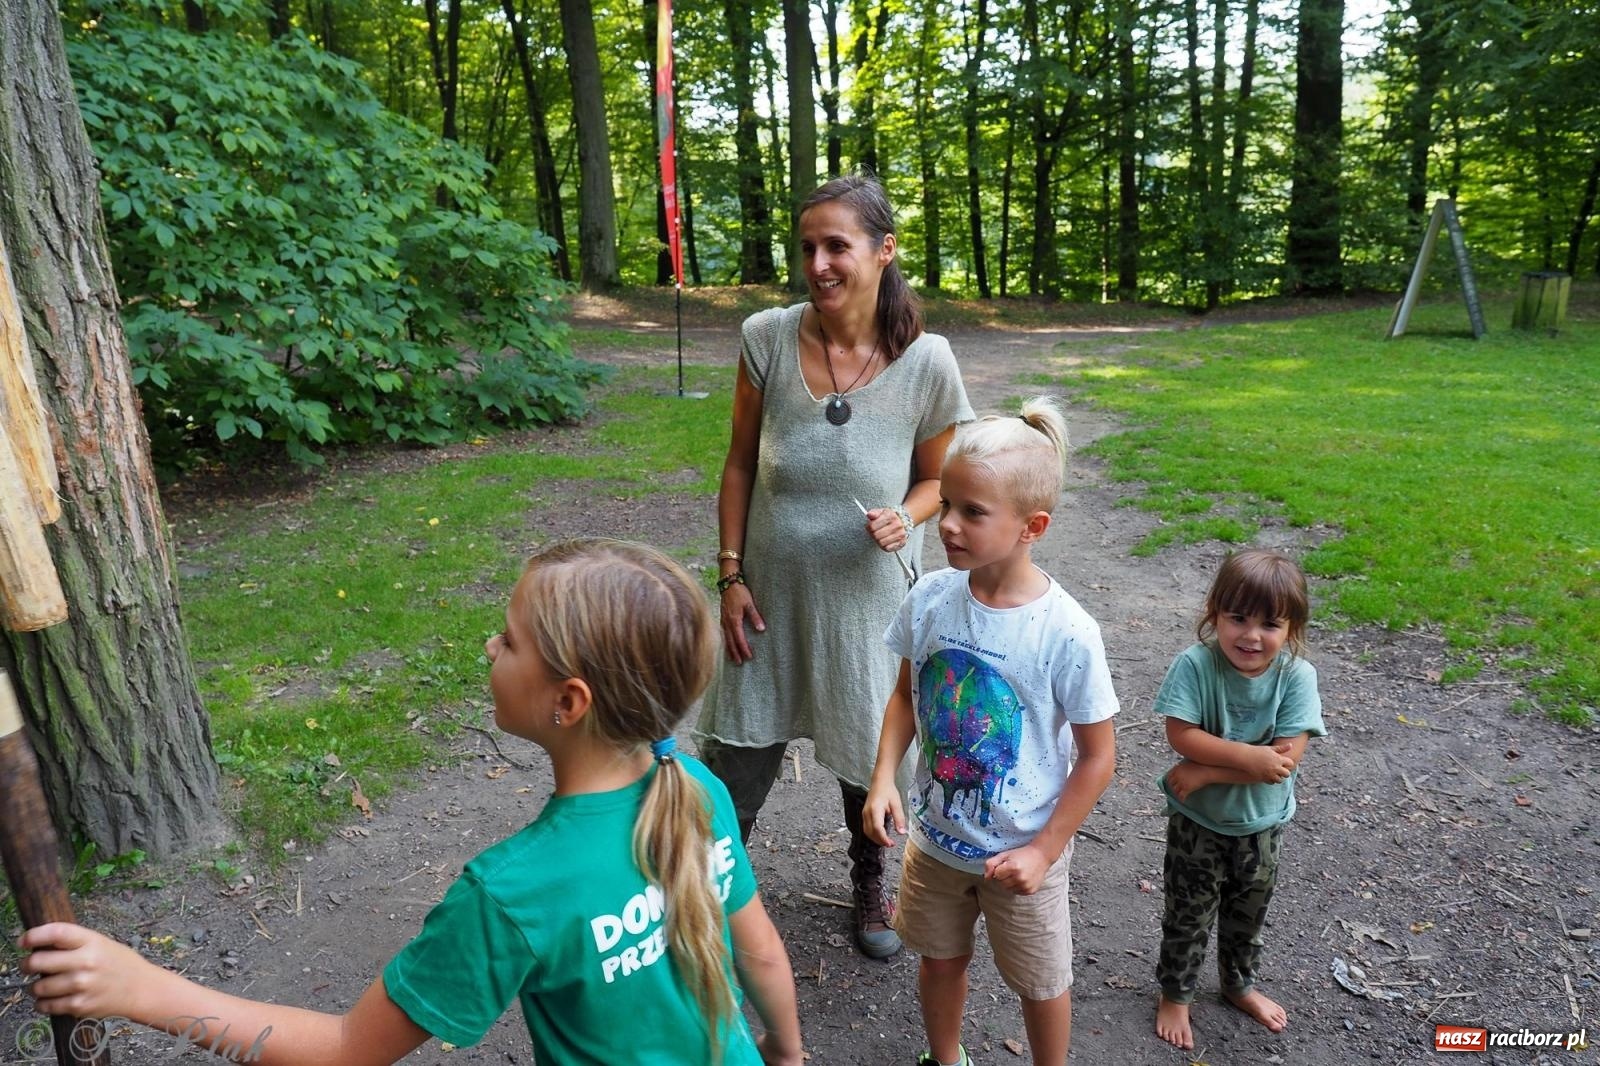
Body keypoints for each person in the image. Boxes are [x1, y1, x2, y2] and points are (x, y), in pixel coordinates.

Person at [21, 539, 804, 1066]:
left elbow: (348, 1049)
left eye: (509, 639)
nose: (489, 649)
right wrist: (789, 1054)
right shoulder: (692, 787)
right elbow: (760, 950)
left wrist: (141, 990)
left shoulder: (511, 894)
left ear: (568, 702)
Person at [696, 172, 973, 959]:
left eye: (837, 246)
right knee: (738, 755)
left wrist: (908, 515)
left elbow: (940, 480)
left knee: (870, 746)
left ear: (884, 252)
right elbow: (740, 464)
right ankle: (716, 893)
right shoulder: (766, 337)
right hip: (768, 597)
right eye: (808, 246)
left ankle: (869, 881)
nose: (818, 263)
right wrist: (729, 574)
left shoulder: (928, 361)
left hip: (868, 602)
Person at [862, 397, 1119, 1066]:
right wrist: (884, 777)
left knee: (1040, 983)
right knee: (940, 960)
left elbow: (1097, 757)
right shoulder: (929, 599)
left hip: (1022, 856)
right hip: (937, 845)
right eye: (946, 503)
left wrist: (1043, 851)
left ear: (1032, 525)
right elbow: (903, 697)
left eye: (971, 512)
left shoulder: (1067, 632)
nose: (946, 524)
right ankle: (945, 1058)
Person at [1152, 548, 1326, 1051]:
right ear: (1215, 612)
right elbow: (1181, 733)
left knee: (1248, 913)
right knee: (1187, 911)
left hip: (1262, 825)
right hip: (1197, 823)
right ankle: (1176, 993)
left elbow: (1282, 762)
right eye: (1238, 618)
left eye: (1270, 624)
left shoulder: (1296, 676)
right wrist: (1247, 761)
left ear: (1291, 628)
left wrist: (1207, 770)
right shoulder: (1196, 664)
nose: (1251, 636)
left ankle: (1238, 984)